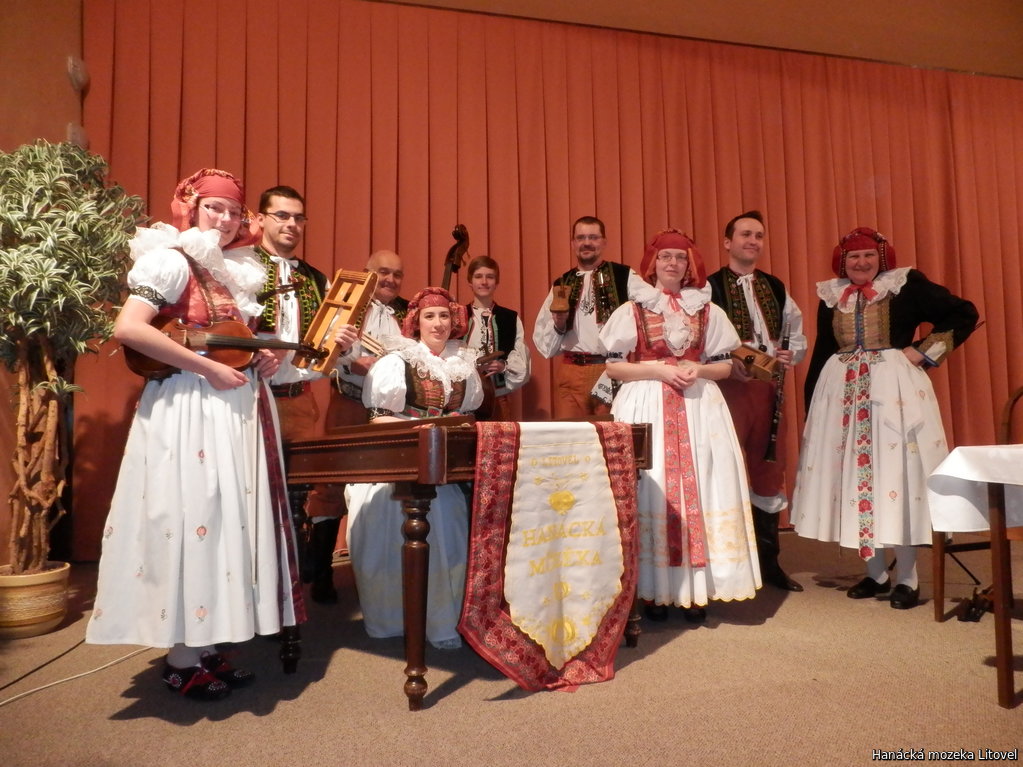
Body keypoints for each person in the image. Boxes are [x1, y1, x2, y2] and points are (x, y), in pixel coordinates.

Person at [86, 169, 304, 700]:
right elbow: (129, 328)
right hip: (189, 409)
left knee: (222, 521)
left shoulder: (228, 272)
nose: (225, 220)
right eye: (214, 208)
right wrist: (207, 368)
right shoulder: (170, 259)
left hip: (229, 411)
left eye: (232, 211)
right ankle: (180, 659)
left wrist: (262, 355)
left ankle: (204, 644)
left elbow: (228, 340)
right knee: (192, 515)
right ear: (190, 208)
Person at [791, 227, 979, 610]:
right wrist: (813, 407)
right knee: (856, 480)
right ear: (842, 262)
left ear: (882, 259)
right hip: (842, 394)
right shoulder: (832, 296)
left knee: (896, 477)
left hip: (894, 393)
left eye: (868, 256)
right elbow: (825, 349)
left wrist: (923, 351)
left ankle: (908, 578)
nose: (861, 263)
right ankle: (875, 574)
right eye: (853, 257)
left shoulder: (905, 285)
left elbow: (963, 314)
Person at [599, 229, 760, 622]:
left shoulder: (706, 310)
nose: (673, 264)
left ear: (690, 264)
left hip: (698, 406)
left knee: (702, 484)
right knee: (651, 485)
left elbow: (726, 366)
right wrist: (656, 369)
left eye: (680, 257)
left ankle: (696, 590)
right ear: (653, 263)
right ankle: (653, 591)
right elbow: (613, 366)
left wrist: (697, 368)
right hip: (647, 403)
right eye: (666, 257)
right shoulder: (633, 309)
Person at [344, 287, 483, 648]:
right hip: (400, 460)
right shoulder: (397, 361)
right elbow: (378, 418)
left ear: (454, 321)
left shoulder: (463, 363)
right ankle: (395, 618)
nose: (438, 324)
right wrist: (423, 428)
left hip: (445, 464)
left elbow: (467, 415)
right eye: (429, 317)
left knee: (450, 532)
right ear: (416, 323)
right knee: (396, 535)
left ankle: (444, 620)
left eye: (444, 316)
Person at [253, 185, 358, 604]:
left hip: (300, 400)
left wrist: (343, 344)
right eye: (282, 215)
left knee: (298, 500)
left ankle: (291, 591)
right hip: (252, 398)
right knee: (255, 497)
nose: (291, 224)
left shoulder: (317, 280)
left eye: (298, 217)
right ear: (260, 218)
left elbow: (328, 347)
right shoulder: (241, 266)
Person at [708, 210, 807, 592]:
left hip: (769, 390)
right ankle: (724, 563)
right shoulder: (709, 287)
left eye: (759, 236)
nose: (753, 241)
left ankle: (769, 564)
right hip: (727, 390)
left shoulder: (775, 286)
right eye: (745, 234)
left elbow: (794, 331)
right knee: (721, 468)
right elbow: (701, 338)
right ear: (727, 242)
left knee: (768, 470)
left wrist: (789, 354)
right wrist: (729, 361)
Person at [311, 250, 409, 583]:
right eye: (383, 272)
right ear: (367, 272)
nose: (390, 280)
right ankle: (320, 571)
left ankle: (380, 572)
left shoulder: (407, 313)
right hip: (349, 403)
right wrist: (350, 364)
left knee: (386, 485)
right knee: (331, 483)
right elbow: (322, 346)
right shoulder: (348, 304)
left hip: (390, 413)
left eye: (397, 274)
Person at [533, 216, 659, 419]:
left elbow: (655, 304)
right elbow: (545, 345)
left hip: (608, 369)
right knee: (570, 434)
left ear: (604, 242)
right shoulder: (562, 282)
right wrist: (558, 324)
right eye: (581, 238)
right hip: (571, 372)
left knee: (609, 432)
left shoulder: (623, 275)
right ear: (573, 243)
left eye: (593, 237)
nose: (587, 243)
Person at [462, 255, 531, 421]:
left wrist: (503, 366)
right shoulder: (459, 315)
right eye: (478, 276)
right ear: (470, 281)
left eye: (490, 277)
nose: (484, 282)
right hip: (463, 398)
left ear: (496, 282)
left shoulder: (509, 318)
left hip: (497, 397)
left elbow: (520, 357)